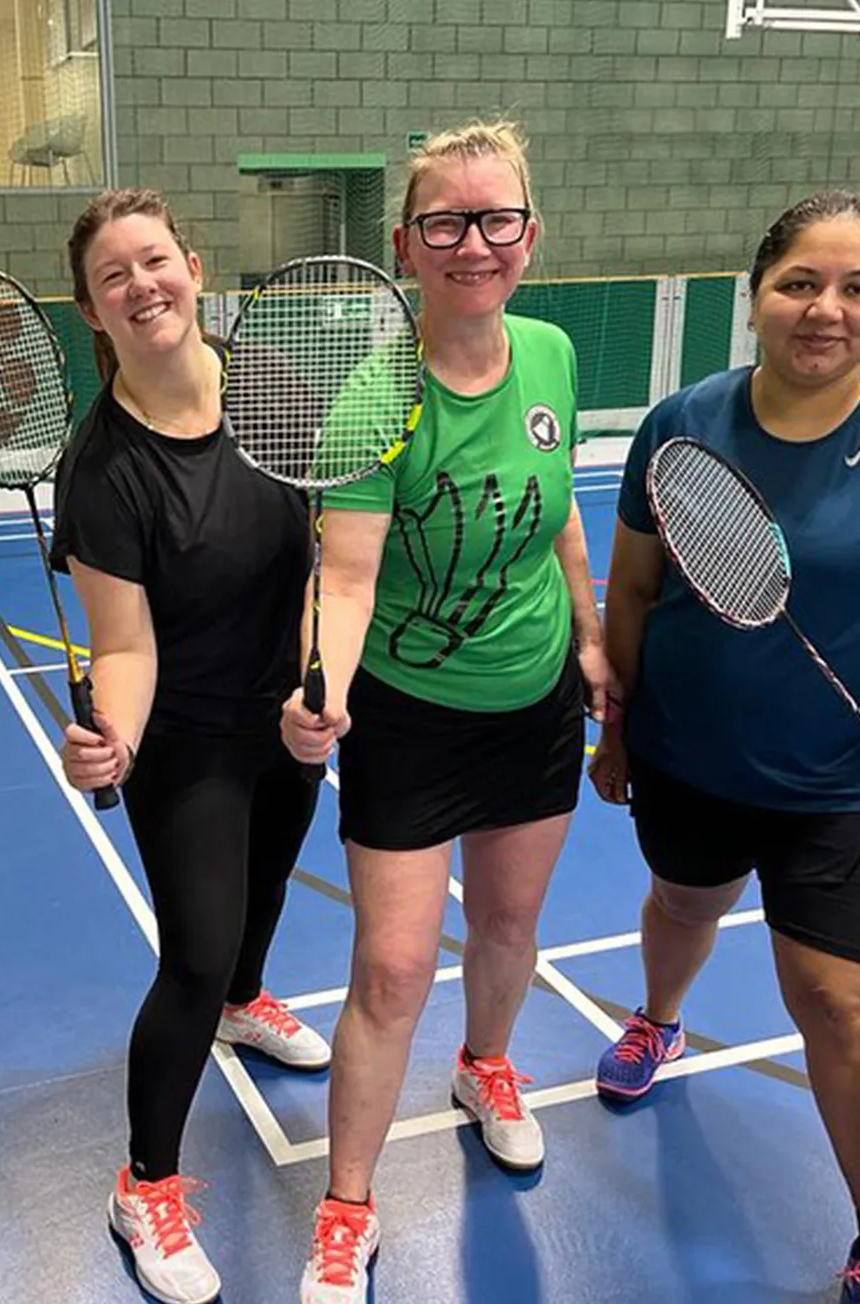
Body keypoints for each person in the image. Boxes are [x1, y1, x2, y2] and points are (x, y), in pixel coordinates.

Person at [281, 120, 613, 1304]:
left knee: (512, 928)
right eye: (444, 222)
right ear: (405, 244)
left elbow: (563, 501)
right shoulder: (376, 399)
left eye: (494, 218)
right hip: (412, 720)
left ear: (530, 234)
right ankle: (347, 1205)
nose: (472, 243)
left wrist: (586, 630)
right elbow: (350, 576)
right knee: (387, 968)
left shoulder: (555, 355)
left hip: (531, 705)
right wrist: (316, 691)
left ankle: (485, 1067)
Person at [589, 191, 860, 1303]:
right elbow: (631, 588)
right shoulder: (680, 422)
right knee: (680, 905)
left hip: (851, 783)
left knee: (836, 1001)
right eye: (798, 283)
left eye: (856, 286)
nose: (824, 309)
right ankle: (658, 1017)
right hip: (690, 752)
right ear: (755, 293)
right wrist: (618, 728)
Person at [51, 187, 331, 1304]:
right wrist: (111, 733)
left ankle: (247, 1000)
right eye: (113, 276)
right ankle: (145, 1181)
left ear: (194, 268)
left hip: (286, 713)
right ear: (91, 312)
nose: (141, 285)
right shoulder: (104, 469)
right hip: (187, 741)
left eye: (153, 260)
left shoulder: (268, 387)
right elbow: (122, 644)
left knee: (266, 888)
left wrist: (319, 677)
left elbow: (323, 556)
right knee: (194, 950)